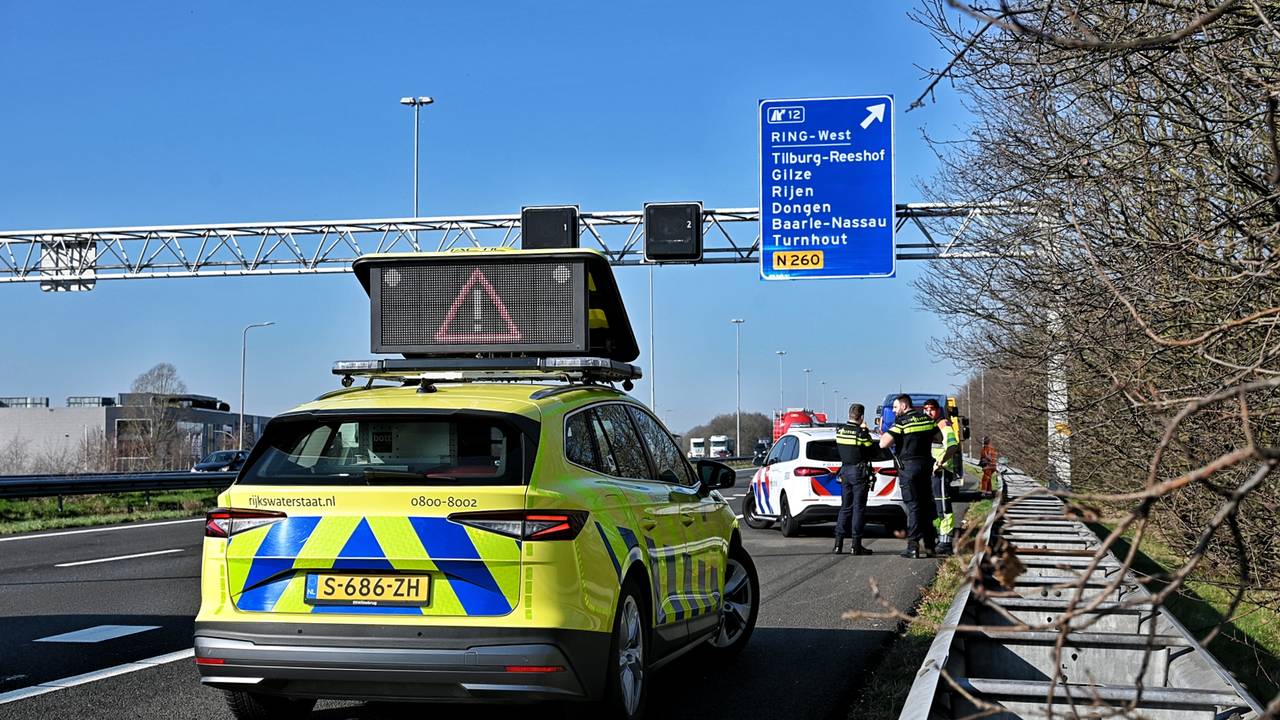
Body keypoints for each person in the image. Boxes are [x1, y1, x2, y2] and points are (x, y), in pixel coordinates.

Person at [879, 394, 939, 558]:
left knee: (913, 507)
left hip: (909, 469)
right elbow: (939, 437)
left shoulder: (901, 423)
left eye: (896, 407)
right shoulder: (926, 420)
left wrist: (890, 430)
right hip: (925, 467)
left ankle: (913, 546)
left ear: (904, 405)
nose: (894, 410)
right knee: (926, 505)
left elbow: (883, 443)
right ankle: (930, 545)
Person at [833, 403, 875, 555]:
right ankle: (855, 545)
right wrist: (865, 430)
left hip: (845, 471)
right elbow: (870, 448)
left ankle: (838, 544)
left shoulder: (840, 431)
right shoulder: (860, 433)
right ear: (861, 416)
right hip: (858, 471)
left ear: (849, 414)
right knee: (858, 508)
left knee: (845, 508)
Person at [922, 399, 960, 556]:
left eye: (932, 409)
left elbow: (953, 445)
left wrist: (940, 462)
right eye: (926, 409)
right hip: (930, 472)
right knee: (933, 508)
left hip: (941, 471)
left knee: (943, 506)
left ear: (938, 410)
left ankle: (946, 541)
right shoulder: (928, 426)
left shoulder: (943, 424)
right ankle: (939, 537)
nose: (928, 412)